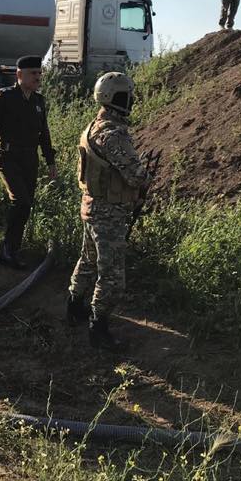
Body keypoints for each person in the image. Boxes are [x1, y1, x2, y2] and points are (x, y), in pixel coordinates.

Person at [66, 72, 149, 352]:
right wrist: (143, 176)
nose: (131, 100)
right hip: (108, 214)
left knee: (87, 261)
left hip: (92, 206)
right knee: (112, 276)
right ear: (114, 98)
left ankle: (74, 307)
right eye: (126, 96)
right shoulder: (112, 134)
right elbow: (136, 176)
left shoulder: (95, 126)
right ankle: (98, 329)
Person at [0, 55, 57, 269]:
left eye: (39, 73)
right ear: (19, 75)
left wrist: (50, 161)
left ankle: (13, 247)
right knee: (21, 202)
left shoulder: (39, 101)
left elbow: (43, 134)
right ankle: (7, 252)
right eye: (33, 73)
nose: (38, 77)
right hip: (7, 157)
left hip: (30, 158)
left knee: (25, 205)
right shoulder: (4, 97)